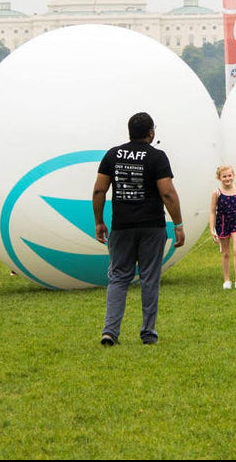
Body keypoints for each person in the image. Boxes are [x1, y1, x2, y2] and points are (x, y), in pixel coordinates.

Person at [93, 112, 185, 346]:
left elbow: (99, 191)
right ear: (151, 132)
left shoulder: (112, 155)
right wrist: (178, 224)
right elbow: (167, 192)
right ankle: (148, 332)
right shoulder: (157, 157)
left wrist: (99, 221)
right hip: (152, 227)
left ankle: (110, 331)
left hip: (121, 227)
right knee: (149, 278)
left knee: (118, 278)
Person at [209, 164, 236, 289]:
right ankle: (227, 280)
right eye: (224, 176)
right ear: (219, 178)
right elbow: (212, 212)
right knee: (226, 253)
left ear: (233, 176)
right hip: (222, 223)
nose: (227, 178)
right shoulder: (216, 193)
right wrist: (212, 229)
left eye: (229, 175)